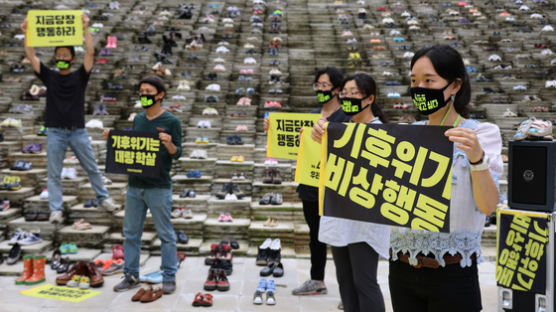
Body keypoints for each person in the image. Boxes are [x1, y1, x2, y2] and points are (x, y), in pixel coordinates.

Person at [388, 44, 503, 312]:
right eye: (414, 81)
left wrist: (477, 159)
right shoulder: (406, 135)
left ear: (454, 86)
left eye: (429, 80)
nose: (419, 88)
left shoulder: (481, 134)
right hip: (402, 268)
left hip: (453, 273)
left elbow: (488, 206)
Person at [21, 15, 116, 224]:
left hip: (78, 131)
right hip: (55, 131)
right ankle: (56, 209)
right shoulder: (49, 76)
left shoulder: (80, 76)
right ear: (55, 58)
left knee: (91, 167)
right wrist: (27, 32)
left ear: (72, 58)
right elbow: (30, 54)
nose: (61, 56)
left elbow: (90, 52)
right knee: (53, 173)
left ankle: (104, 198)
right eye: (58, 54)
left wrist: (85, 28)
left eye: (65, 54)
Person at [264, 67, 349, 296]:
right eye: (318, 85)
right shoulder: (310, 116)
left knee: (343, 239)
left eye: (325, 85)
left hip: (336, 187)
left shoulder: (347, 118)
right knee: (316, 236)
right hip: (310, 186)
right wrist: (272, 132)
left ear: (338, 89)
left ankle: (349, 291)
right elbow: (293, 147)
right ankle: (317, 280)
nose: (321, 89)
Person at [312, 73, 389, 312]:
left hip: (365, 220)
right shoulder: (340, 130)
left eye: (354, 93)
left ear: (370, 98)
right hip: (339, 213)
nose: (348, 98)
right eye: (345, 93)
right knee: (344, 281)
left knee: (364, 282)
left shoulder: (383, 132)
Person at [107, 76, 182, 294]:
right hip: (134, 186)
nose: (144, 95)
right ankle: (131, 275)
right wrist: (113, 139)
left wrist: (169, 144)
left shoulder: (172, 121)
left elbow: (179, 154)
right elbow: (134, 146)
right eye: (141, 91)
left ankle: (169, 275)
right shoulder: (138, 119)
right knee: (131, 233)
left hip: (159, 186)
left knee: (166, 234)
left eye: (148, 91)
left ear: (160, 95)